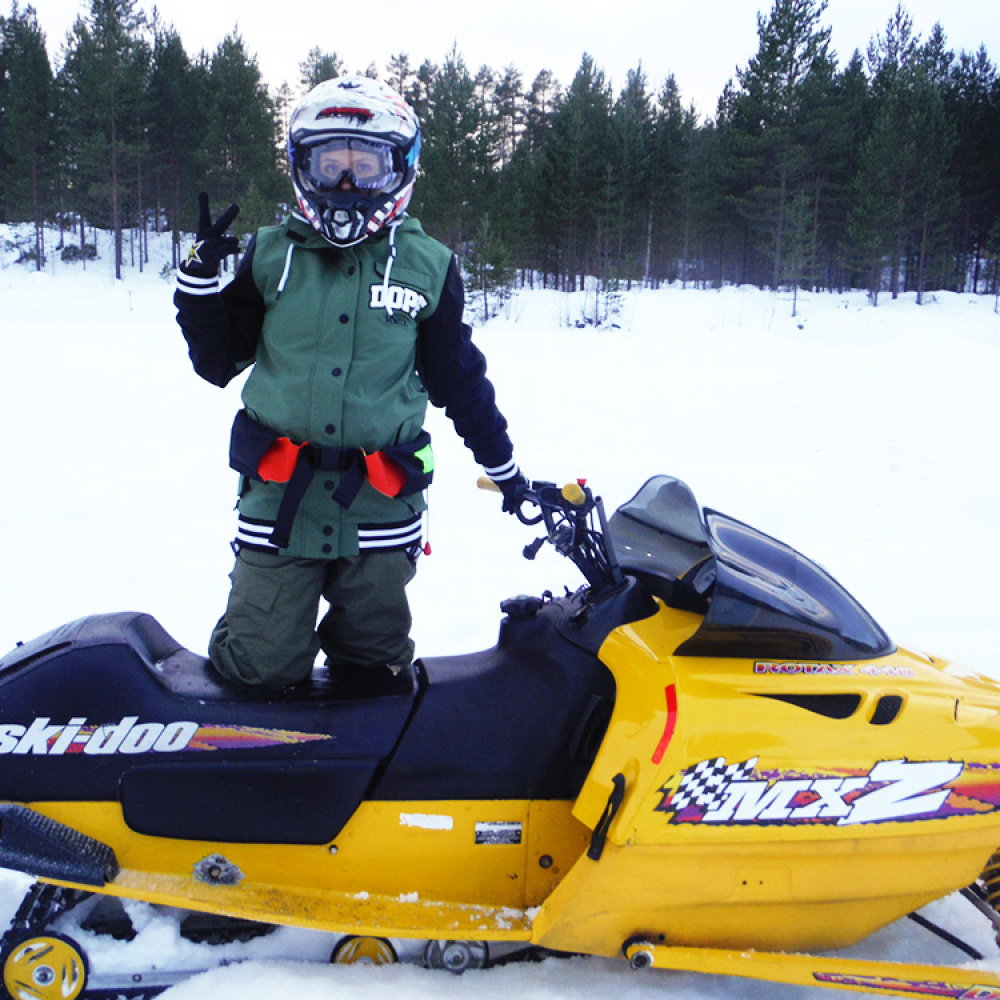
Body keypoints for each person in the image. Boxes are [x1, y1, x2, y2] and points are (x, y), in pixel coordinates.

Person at [174, 75, 524, 690]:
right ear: (301, 167)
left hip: (381, 506)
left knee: (374, 670)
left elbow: (458, 379)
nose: (345, 184)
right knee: (258, 669)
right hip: (281, 503)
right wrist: (199, 292)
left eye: (365, 167)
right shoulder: (270, 255)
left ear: (399, 170)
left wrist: (505, 469)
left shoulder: (429, 267)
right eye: (330, 165)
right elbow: (217, 363)